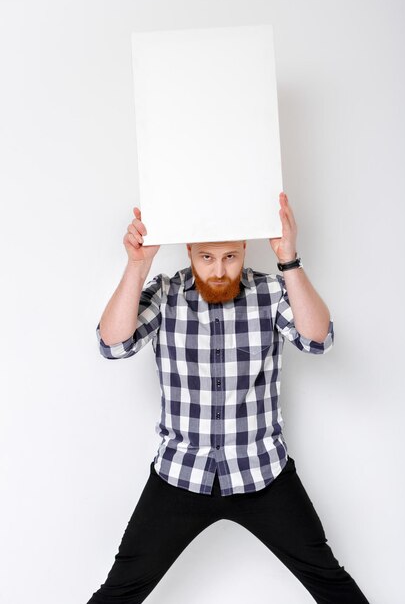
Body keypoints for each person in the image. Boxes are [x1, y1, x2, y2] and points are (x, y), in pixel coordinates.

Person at [87, 192, 369, 604]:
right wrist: (137, 265)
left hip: (263, 474)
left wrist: (289, 259)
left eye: (230, 257)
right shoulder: (165, 294)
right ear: (188, 250)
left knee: (330, 581)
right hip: (180, 475)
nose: (219, 270)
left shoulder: (271, 292)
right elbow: (113, 345)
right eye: (206, 257)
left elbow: (317, 338)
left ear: (245, 248)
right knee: (120, 591)